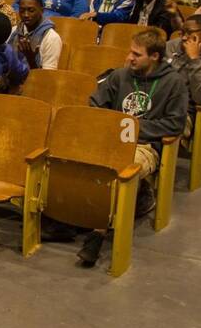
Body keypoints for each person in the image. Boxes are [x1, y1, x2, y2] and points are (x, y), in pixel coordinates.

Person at [80, 28, 187, 266]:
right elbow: (95, 103)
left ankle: (98, 232)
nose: (129, 57)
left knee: (120, 168)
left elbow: (175, 123)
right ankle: (69, 216)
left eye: (136, 54)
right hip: (111, 139)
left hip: (145, 146)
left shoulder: (174, 83)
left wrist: (134, 128)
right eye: (130, 52)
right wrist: (111, 126)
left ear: (155, 57)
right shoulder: (120, 76)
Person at [7, 0, 62, 70]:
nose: (26, 15)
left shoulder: (51, 37)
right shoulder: (14, 31)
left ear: (42, 11)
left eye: (31, 10)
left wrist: (31, 59)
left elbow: (47, 77)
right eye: (22, 11)